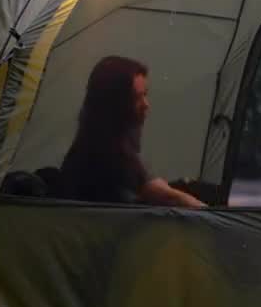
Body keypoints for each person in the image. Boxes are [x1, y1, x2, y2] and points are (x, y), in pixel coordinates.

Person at [60, 55, 207, 208]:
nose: (146, 105)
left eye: (145, 94)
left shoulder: (118, 147)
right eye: (137, 98)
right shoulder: (99, 157)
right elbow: (159, 194)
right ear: (114, 103)